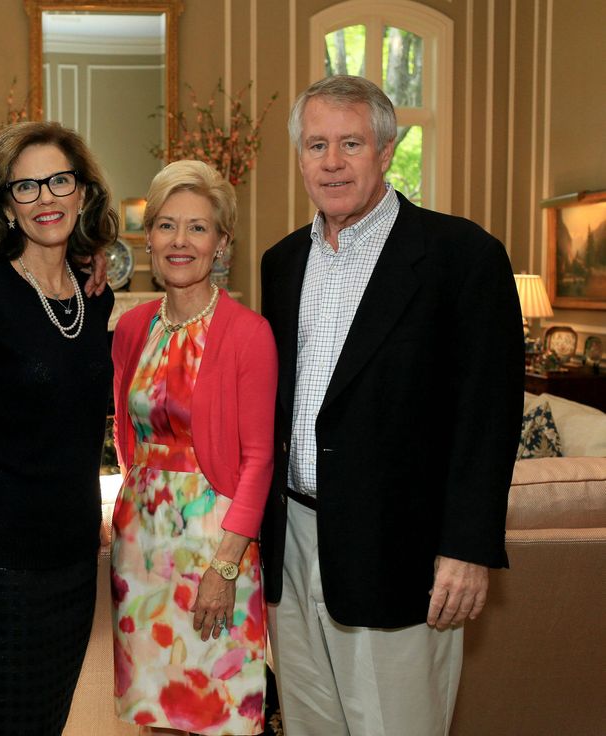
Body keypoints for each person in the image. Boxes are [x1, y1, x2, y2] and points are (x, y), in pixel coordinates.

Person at [260, 75, 523, 735]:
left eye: (351, 143)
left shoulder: (462, 257)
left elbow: (488, 417)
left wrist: (467, 548)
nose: (331, 161)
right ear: (299, 158)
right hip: (291, 542)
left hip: (400, 550)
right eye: (316, 144)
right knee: (310, 724)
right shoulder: (281, 261)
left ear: (386, 150)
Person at [0, 121, 117, 736]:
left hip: (72, 560)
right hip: (0, 567)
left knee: (46, 724)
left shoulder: (95, 298)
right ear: (6, 206)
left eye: (58, 181)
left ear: (83, 192)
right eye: (25, 187)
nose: (45, 199)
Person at [110, 160, 279, 735]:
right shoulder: (133, 329)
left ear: (222, 242)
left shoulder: (248, 333)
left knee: (220, 710)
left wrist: (225, 566)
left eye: (198, 228)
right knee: (154, 711)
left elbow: (259, 458)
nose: (180, 241)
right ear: (150, 237)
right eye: (166, 226)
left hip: (216, 544)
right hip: (141, 548)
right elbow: (126, 434)